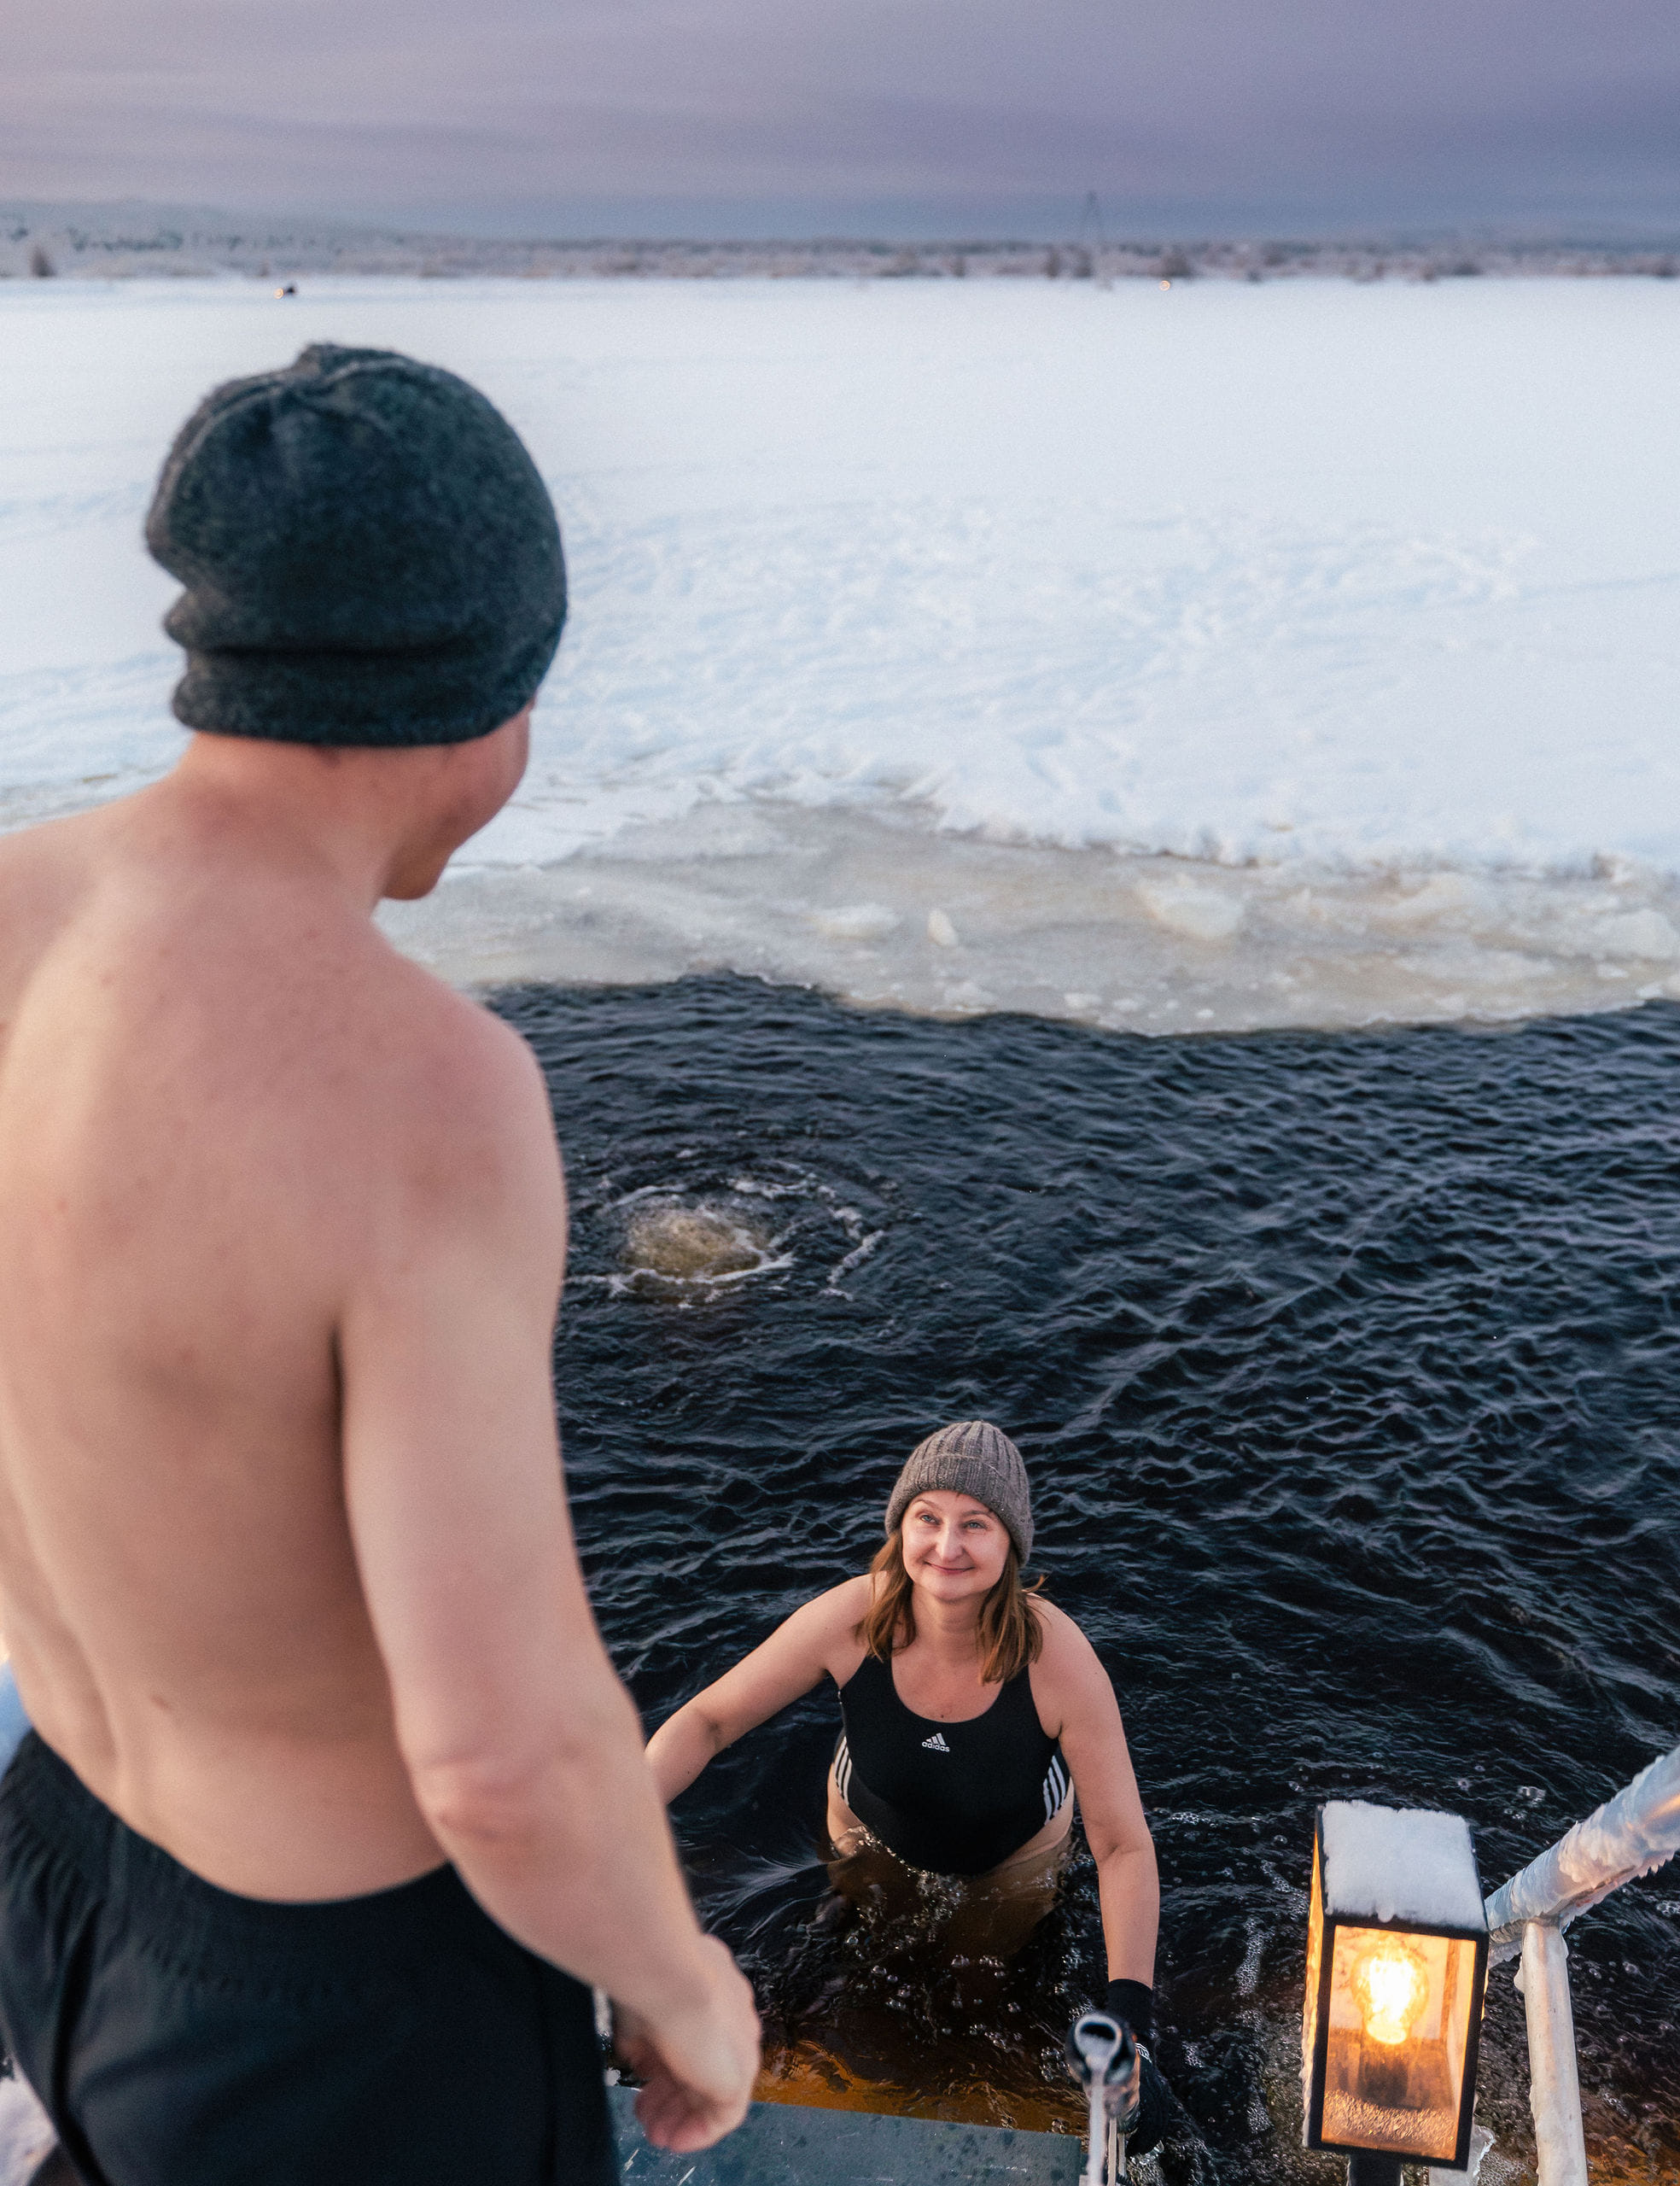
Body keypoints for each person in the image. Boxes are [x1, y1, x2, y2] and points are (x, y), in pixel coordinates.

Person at [0, 345, 759, 2185]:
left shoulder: (12, 911)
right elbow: (505, 1753)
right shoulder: (426, 1086)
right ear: (473, 692)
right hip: (331, 2008)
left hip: (54, 1858)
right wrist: (678, 1982)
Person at [647, 1418, 1181, 2156]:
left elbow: (1122, 1846)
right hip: (868, 1834)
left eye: (976, 1524)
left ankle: (1059, 2093)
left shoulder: (1058, 1660)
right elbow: (707, 1721)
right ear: (901, 1528)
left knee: (980, 1995)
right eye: (927, 1520)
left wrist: (1130, 2015)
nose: (948, 1547)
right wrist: (617, 1816)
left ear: (1012, 1543)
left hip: (1010, 1862)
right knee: (862, 1973)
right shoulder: (852, 1618)